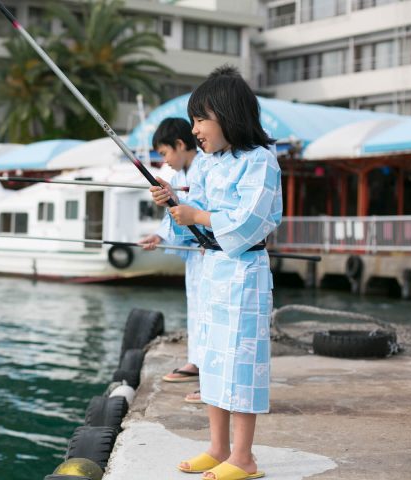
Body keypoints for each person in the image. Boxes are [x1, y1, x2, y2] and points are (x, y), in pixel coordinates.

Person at [150, 65, 282, 479]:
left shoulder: (261, 161)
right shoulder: (206, 164)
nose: (195, 130)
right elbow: (191, 231)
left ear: (229, 115)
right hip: (213, 274)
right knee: (212, 358)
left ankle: (244, 457)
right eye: (192, 121)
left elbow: (251, 221)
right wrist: (174, 206)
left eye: (201, 119)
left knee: (241, 363)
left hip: (244, 275)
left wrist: (198, 214)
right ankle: (218, 447)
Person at [138, 117, 204, 402]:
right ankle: (197, 361)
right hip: (197, 258)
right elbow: (175, 217)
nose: (165, 161)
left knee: (214, 315)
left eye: (165, 154)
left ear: (179, 145)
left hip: (213, 252)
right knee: (197, 309)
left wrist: (175, 199)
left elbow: (201, 210)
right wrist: (160, 237)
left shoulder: (206, 168)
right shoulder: (178, 178)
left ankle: (212, 376)